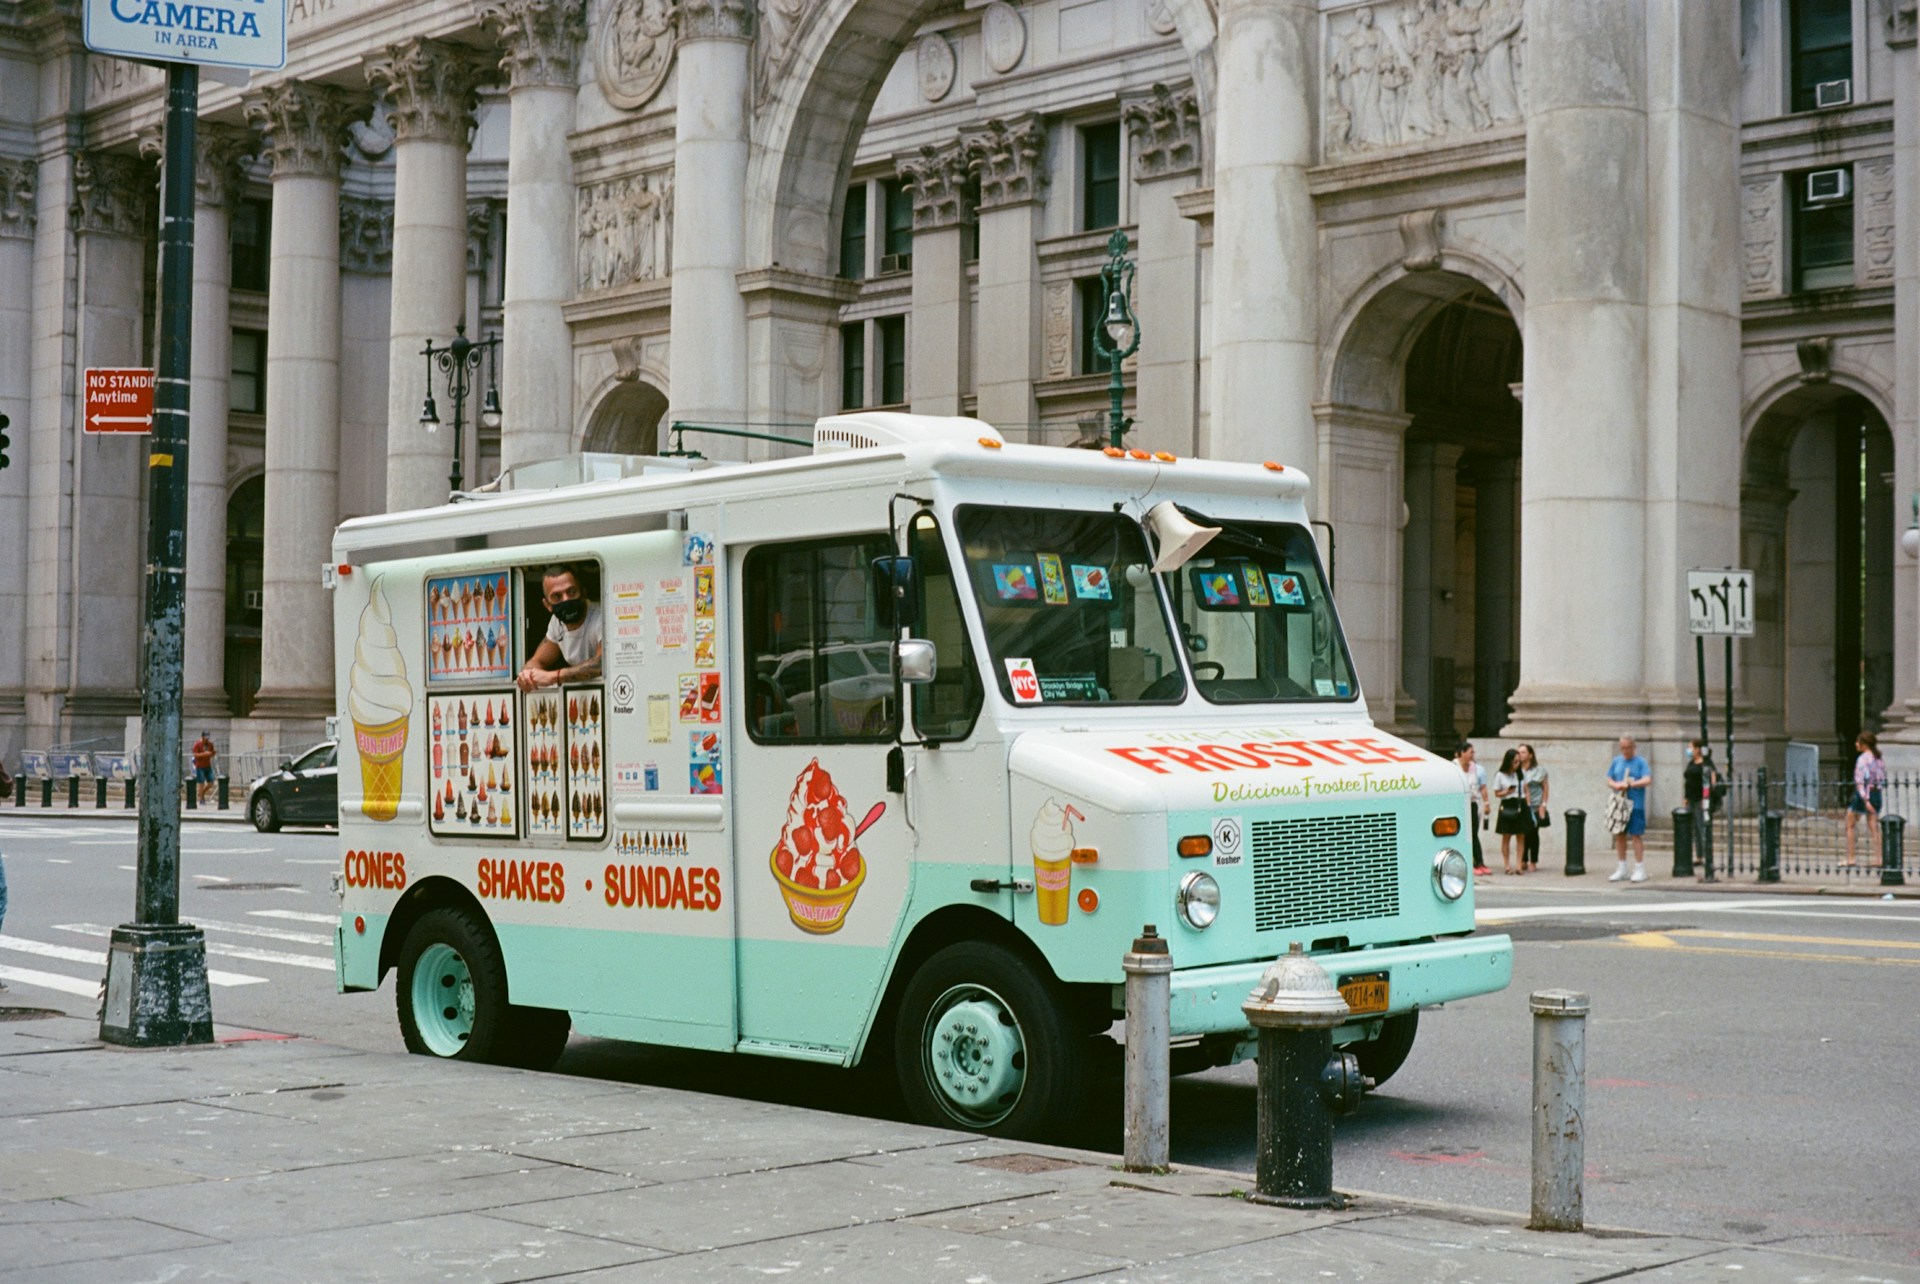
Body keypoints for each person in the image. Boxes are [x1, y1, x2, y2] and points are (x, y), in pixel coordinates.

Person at [517, 564, 604, 691]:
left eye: (572, 592)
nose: (566, 600)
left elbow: (602, 664)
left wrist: (554, 677)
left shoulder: (601, 616)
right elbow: (538, 661)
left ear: (583, 593)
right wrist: (527, 675)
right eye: (557, 597)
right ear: (547, 605)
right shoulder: (557, 623)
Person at [1606, 734, 1653, 882]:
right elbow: (1609, 778)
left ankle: (1639, 868)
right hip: (1620, 804)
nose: (1625, 751)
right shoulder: (1616, 761)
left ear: (1634, 747)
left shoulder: (1641, 762)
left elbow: (1647, 779)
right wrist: (1616, 785)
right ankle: (1622, 867)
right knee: (1620, 836)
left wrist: (1632, 784)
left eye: (1628, 748)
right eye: (1622, 748)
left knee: (1635, 835)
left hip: (1635, 804)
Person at [1846, 730, 1887, 868]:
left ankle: (1851, 858)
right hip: (1876, 793)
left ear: (1864, 744)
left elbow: (1860, 780)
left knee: (1850, 823)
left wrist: (1865, 799)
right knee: (1873, 826)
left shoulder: (1863, 759)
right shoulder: (1878, 758)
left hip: (1864, 794)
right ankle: (1879, 858)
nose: (1856, 744)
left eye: (1858, 742)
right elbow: (1881, 779)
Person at [1492, 747, 1531, 875]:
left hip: (1520, 803)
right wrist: (1507, 791)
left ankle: (1519, 865)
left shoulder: (1521, 774)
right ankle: (1507, 864)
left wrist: (1528, 803)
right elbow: (1497, 793)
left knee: (1521, 835)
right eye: (1515, 762)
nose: (1517, 764)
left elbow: (1526, 789)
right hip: (1507, 804)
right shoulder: (1500, 775)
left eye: (1518, 762)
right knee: (1506, 836)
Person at [1455, 741, 1489, 873]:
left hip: (1472, 803)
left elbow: (1482, 787)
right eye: (1470, 752)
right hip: (1459, 805)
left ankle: (1479, 862)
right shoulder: (1454, 767)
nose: (1472, 755)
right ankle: (1469, 863)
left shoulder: (1476, 768)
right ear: (1462, 753)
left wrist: (1486, 803)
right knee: (1463, 834)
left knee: (1473, 833)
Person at [1518, 743, 1550, 872]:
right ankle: (1523, 859)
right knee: (1523, 833)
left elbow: (1545, 788)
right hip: (1521, 805)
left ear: (1530, 755)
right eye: (1519, 752)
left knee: (1533, 833)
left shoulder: (1539, 770)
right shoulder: (1516, 769)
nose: (1520, 755)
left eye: (1523, 752)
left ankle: (1533, 860)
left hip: (1535, 805)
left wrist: (1543, 805)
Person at [191, 731, 218, 806]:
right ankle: (201, 798)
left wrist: (213, 753)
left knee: (211, 782)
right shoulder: (197, 744)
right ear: (202, 737)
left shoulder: (210, 744)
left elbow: (211, 754)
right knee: (201, 783)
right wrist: (204, 754)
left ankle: (201, 793)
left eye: (208, 738)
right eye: (205, 738)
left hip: (207, 766)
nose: (207, 740)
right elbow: (195, 755)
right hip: (200, 766)